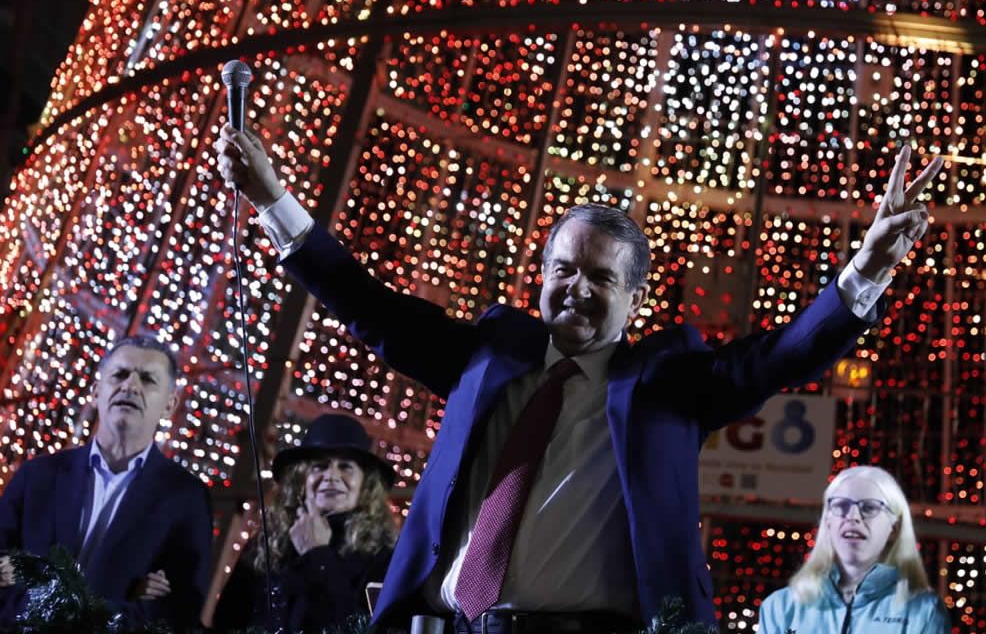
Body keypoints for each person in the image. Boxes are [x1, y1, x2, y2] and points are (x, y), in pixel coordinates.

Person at [215, 121, 942, 632]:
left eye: (601, 278)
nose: (577, 289)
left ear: (636, 298)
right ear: (541, 277)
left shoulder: (668, 383)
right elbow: (371, 308)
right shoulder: (489, 355)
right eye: (563, 270)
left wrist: (867, 269)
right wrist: (274, 203)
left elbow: (779, 355)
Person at [0, 335, 213, 630]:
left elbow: (178, 611)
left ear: (169, 406)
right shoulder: (38, 476)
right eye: (120, 374)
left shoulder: (186, 499)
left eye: (148, 379)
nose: (130, 386)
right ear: (97, 390)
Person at [214, 413, 399, 632]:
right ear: (300, 479)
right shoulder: (266, 541)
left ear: (365, 483)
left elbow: (357, 628)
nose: (331, 476)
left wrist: (317, 555)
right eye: (319, 466)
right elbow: (225, 622)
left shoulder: (383, 553)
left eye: (345, 466)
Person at [758, 466, 947, 634]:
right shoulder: (780, 607)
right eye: (841, 506)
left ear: (894, 528)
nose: (853, 517)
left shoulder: (924, 612)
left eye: (869, 507)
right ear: (828, 522)